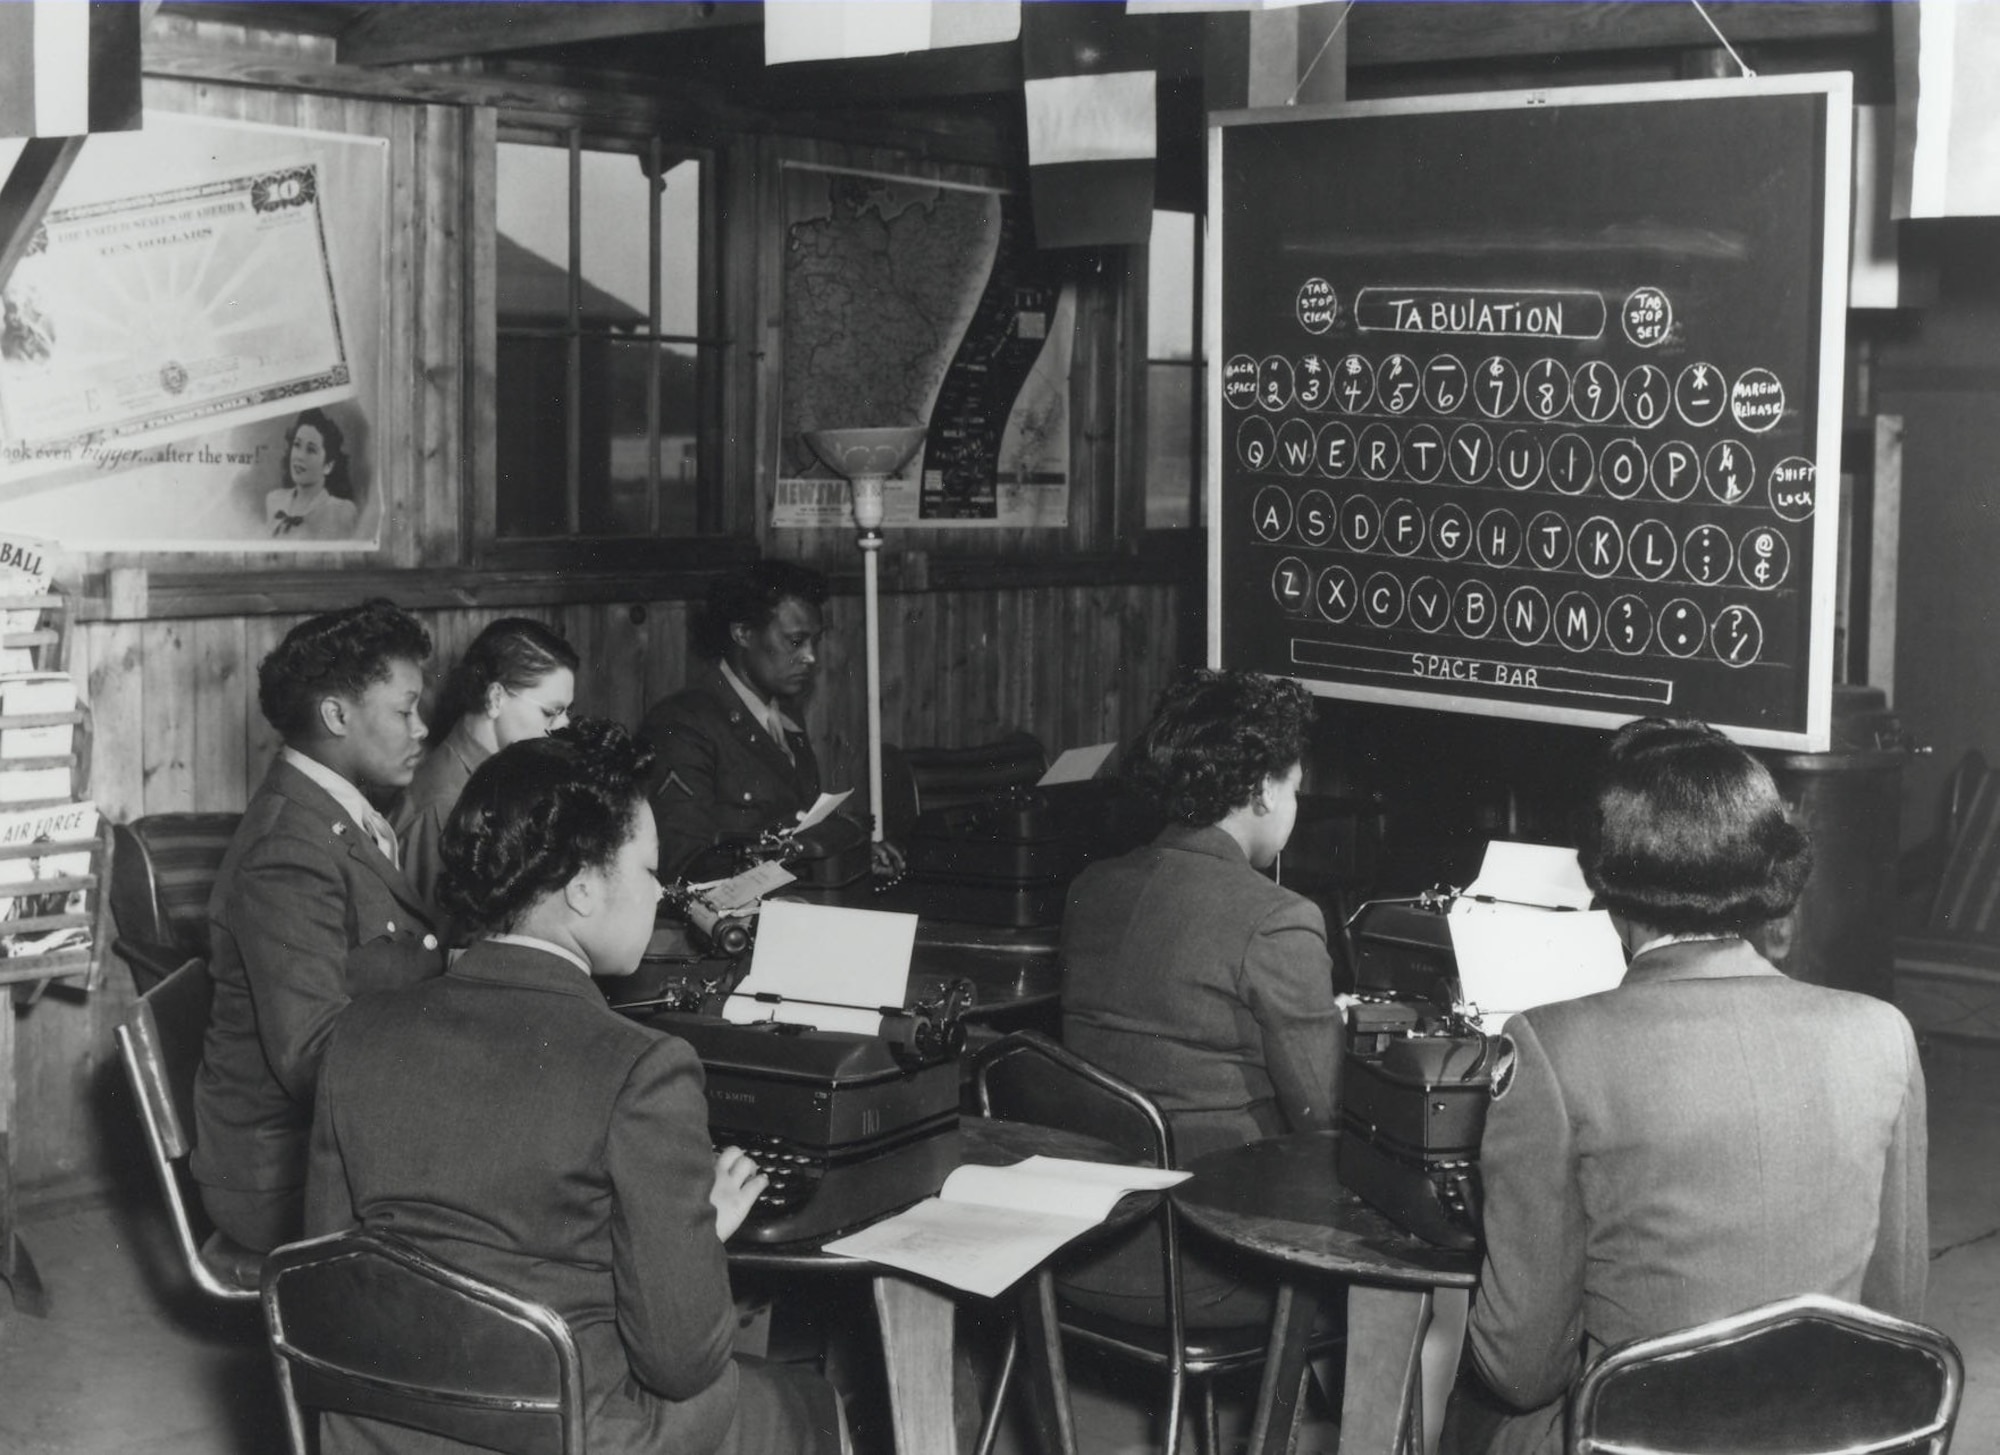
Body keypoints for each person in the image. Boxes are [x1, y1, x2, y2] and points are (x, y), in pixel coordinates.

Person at [306, 721, 844, 1455]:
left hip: (375, 1430)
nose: (662, 895)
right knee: (800, 1401)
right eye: (651, 872)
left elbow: (326, 1275)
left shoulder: (356, 1033)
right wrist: (698, 1235)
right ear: (586, 888)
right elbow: (680, 1360)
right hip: (562, 1434)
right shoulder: (645, 1067)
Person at [1443, 717, 1928, 1455]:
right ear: (1769, 875)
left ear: (1609, 883)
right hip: (1836, 1438)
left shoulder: (1550, 1044)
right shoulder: (1883, 1032)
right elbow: (1897, 1317)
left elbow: (1521, 1367)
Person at [1059, 667, 1345, 1326]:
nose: (1295, 804)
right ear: (1265, 792)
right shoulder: (1277, 918)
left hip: (1084, 1241)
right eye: (1296, 786)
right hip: (1212, 1258)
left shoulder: (1092, 887)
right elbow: (1325, 1117)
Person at [192, 599, 445, 1254]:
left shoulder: (339, 814)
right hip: (284, 1177)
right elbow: (315, 1058)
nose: (422, 727)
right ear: (337, 715)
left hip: (336, 1143)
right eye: (404, 708)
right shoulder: (288, 850)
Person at [638, 560, 897, 882]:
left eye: (815, 641)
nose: (811, 657)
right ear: (743, 633)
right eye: (795, 641)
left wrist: (851, 854)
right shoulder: (682, 726)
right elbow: (683, 865)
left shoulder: (782, 715)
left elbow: (796, 826)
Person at [393, 616, 577, 908]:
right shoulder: (444, 807)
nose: (564, 725)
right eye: (551, 712)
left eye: (567, 711)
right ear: (495, 698)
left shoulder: (502, 773)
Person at [266, 408, 362, 540]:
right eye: (297, 445)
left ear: (328, 466)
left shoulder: (342, 512)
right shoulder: (273, 500)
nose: (299, 456)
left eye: (311, 450)